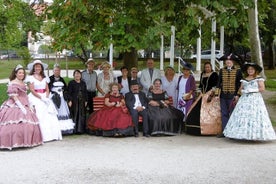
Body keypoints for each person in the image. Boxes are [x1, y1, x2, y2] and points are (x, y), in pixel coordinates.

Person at [223, 62, 276, 141]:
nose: (250, 71)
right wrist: (239, 94)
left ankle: (255, 135)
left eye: (252, 69)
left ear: (255, 70)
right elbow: (240, 89)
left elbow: (262, 88)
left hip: (255, 100)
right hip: (244, 100)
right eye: (248, 69)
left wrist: (252, 90)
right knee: (242, 116)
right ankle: (242, 134)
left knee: (254, 116)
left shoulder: (258, 78)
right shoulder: (244, 79)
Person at [0, 65, 43, 150]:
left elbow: (25, 95)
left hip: (25, 103)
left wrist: (30, 105)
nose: (21, 74)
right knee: (14, 123)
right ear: (15, 74)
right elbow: (14, 96)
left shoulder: (23, 83)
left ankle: (25, 142)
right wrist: (21, 106)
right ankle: (13, 142)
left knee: (29, 123)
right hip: (15, 103)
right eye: (19, 73)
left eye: (23, 73)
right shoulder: (12, 82)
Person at [26, 60, 62, 142]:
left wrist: (47, 97)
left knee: (50, 115)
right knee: (39, 114)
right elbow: (32, 90)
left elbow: (47, 88)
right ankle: (41, 136)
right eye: (36, 66)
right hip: (36, 97)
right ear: (33, 68)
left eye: (39, 66)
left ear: (41, 68)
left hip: (45, 96)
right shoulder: (31, 77)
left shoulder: (45, 77)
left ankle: (52, 135)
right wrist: (41, 98)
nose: (38, 68)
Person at [185, 62, 221, 135]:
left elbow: (216, 85)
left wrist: (212, 94)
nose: (207, 68)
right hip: (203, 94)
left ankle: (210, 129)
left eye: (208, 67)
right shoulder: (202, 74)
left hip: (211, 94)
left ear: (211, 67)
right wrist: (198, 91)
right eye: (206, 67)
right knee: (195, 110)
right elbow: (201, 85)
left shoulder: (214, 74)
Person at [216, 54, 243, 138]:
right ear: (225, 62)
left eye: (230, 61)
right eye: (227, 61)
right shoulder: (221, 70)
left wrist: (238, 94)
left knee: (232, 113)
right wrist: (217, 94)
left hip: (233, 95)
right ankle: (225, 131)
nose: (228, 62)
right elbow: (218, 83)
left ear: (233, 62)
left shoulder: (238, 71)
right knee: (224, 113)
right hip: (223, 95)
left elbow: (240, 84)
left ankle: (233, 131)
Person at [49, 64, 75, 135]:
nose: (57, 72)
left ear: (60, 71)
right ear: (53, 71)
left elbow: (66, 90)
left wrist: (68, 99)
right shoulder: (50, 79)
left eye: (58, 70)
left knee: (63, 112)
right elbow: (48, 89)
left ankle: (63, 129)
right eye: (55, 70)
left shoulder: (62, 79)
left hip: (62, 99)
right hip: (53, 98)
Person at [67, 70, 88, 134]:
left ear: (80, 75)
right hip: (74, 101)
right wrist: (69, 100)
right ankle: (74, 130)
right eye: (76, 74)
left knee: (81, 115)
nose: (77, 75)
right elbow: (68, 93)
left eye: (79, 74)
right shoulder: (71, 83)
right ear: (73, 75)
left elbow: (85, 92)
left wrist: (86, 100)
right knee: (75, 114)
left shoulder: (83, 83)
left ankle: (81, 130)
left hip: (82, 101)